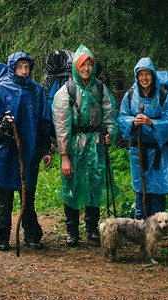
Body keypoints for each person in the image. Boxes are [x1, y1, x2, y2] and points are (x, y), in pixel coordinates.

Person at [0, 52, 52, 251]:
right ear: (12, 68)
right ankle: (2, 237)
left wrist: (45, 150)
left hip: (30, 152)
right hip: (6, 154)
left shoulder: (36, 90)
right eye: (20, 67)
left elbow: (44, 122)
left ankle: (32, 235)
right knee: (5, 195)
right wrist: (2, 127)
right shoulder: (1, 89)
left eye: (27, 66)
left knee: (28, 194)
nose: (24, 71)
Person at [52, 45, 118, 247]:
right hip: (74, 146)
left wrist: (109, 134)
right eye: (83, 65)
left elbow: (109, 114)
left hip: (96, 145)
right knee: (72, 186)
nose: (87, 68)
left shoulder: (100, 88)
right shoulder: (66, 92)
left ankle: (92, 230)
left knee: (94, 184)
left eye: (90, 64)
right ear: (76, 67)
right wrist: (64, 156)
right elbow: (61, 126)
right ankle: (72, 231)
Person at [117, 57, 168, 219]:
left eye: (147, 74)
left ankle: (158, 226)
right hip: (138, 151)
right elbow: (122, 117)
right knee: (141, 186)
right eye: (141, 74)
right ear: (136, 76)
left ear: (153, 75)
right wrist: (133, 122)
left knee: (158, 187)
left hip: (158, 151)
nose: (144, 78)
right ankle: (140, 224)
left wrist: (151, 122)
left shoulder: (164, 96)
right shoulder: (130, 95)